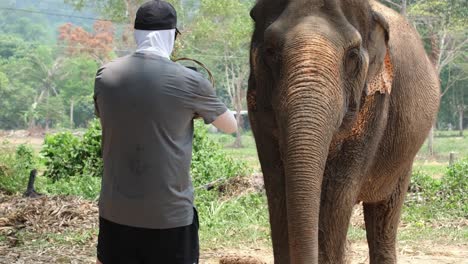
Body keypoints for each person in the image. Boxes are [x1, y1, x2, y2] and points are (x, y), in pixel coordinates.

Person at [93, 1, 237, 263]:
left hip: (114, 212)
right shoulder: (191, 81)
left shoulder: (105, 75)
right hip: (169, 217)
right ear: (172, 35)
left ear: (136, 32)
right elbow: (231, 126)